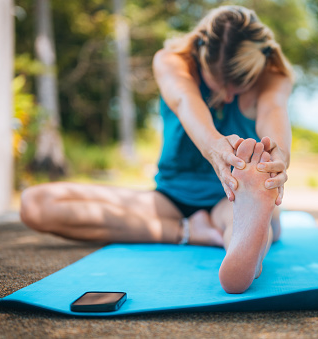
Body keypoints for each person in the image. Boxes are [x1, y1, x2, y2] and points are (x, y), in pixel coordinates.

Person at [20, 5, 294, 294]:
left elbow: (273, 113)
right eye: (218, 83)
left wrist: (277, 162)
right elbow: (186, 101)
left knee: (240, 225)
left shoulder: (272, 76)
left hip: (234, 194)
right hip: (171, 198)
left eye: (239, 85)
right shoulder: (171, 62)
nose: (227, 96)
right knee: (35, 203)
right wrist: (215, 147)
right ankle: (188, 232)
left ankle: (248, 243)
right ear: (201, 56)